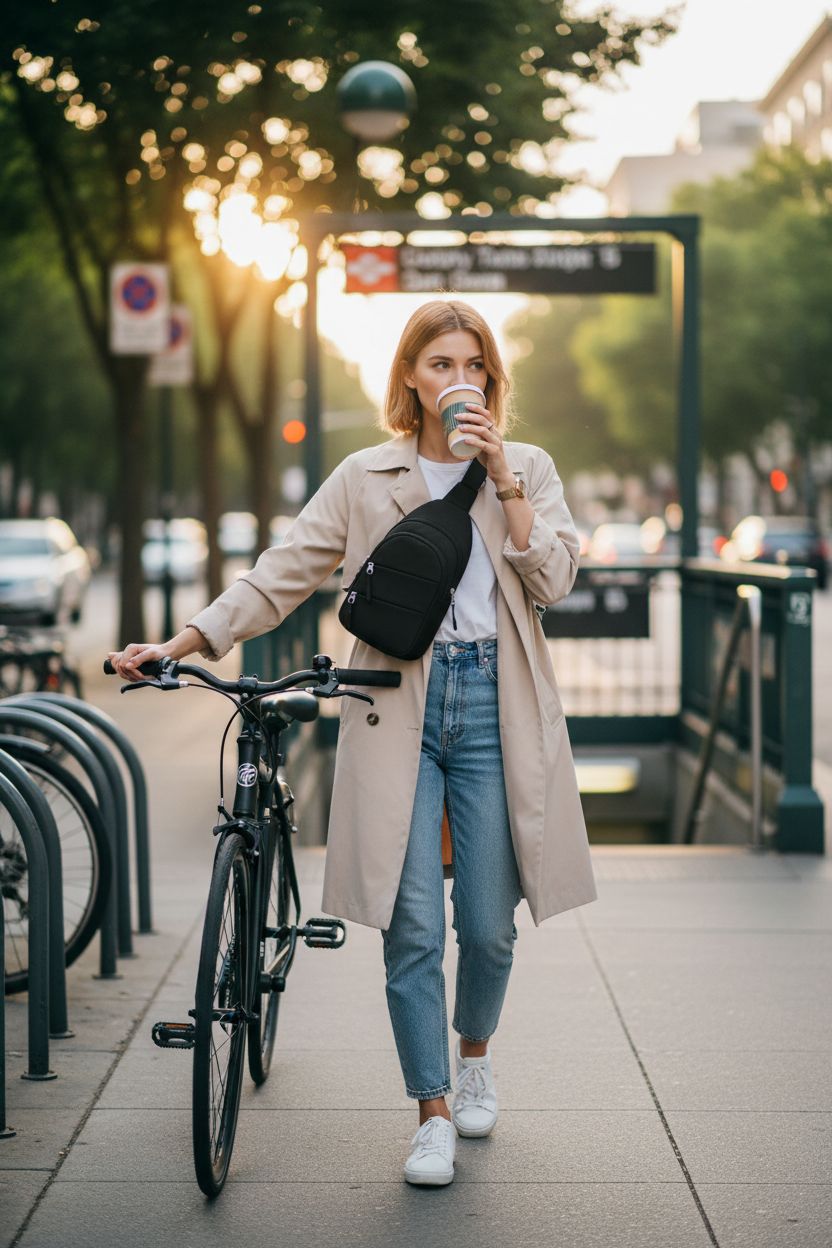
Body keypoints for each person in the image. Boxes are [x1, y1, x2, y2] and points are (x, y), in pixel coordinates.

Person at [110, 299, 597, 1188]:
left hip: (497, 709)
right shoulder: (367, 475)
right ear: (410, 376)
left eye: (474, 364)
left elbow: (555, 580)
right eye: (441, 364)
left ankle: (475, 1052)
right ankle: (432, 1110)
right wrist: (181, 644)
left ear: (492, 377)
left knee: (487, 929)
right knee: (411, 927)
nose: (460, 380)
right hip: (393, 708)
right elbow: (283, 573)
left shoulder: (524, 467)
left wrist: (504, 478)